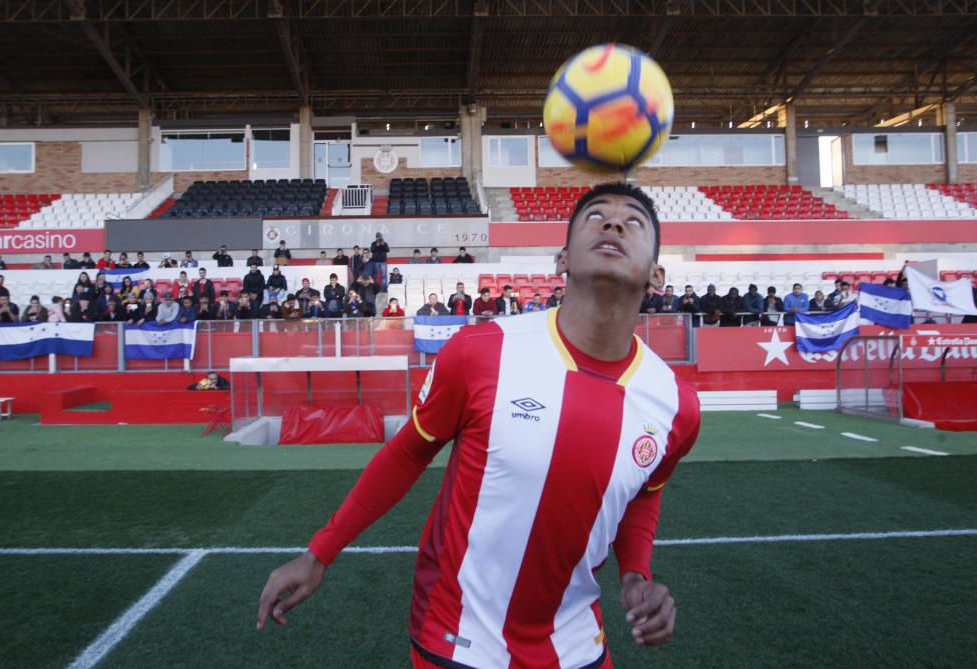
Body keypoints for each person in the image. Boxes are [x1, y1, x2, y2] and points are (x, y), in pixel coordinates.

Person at [256, 181, 698, 668]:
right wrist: (319, 552)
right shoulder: (480, 351)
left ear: (657, 275)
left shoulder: (676, 404)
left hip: (576, 645)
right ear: (561, 260)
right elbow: (406, 454)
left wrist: (635, 573)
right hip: (458, 638)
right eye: (595, 216)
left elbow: (645, 493)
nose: (613, 223)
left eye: (633, 221)